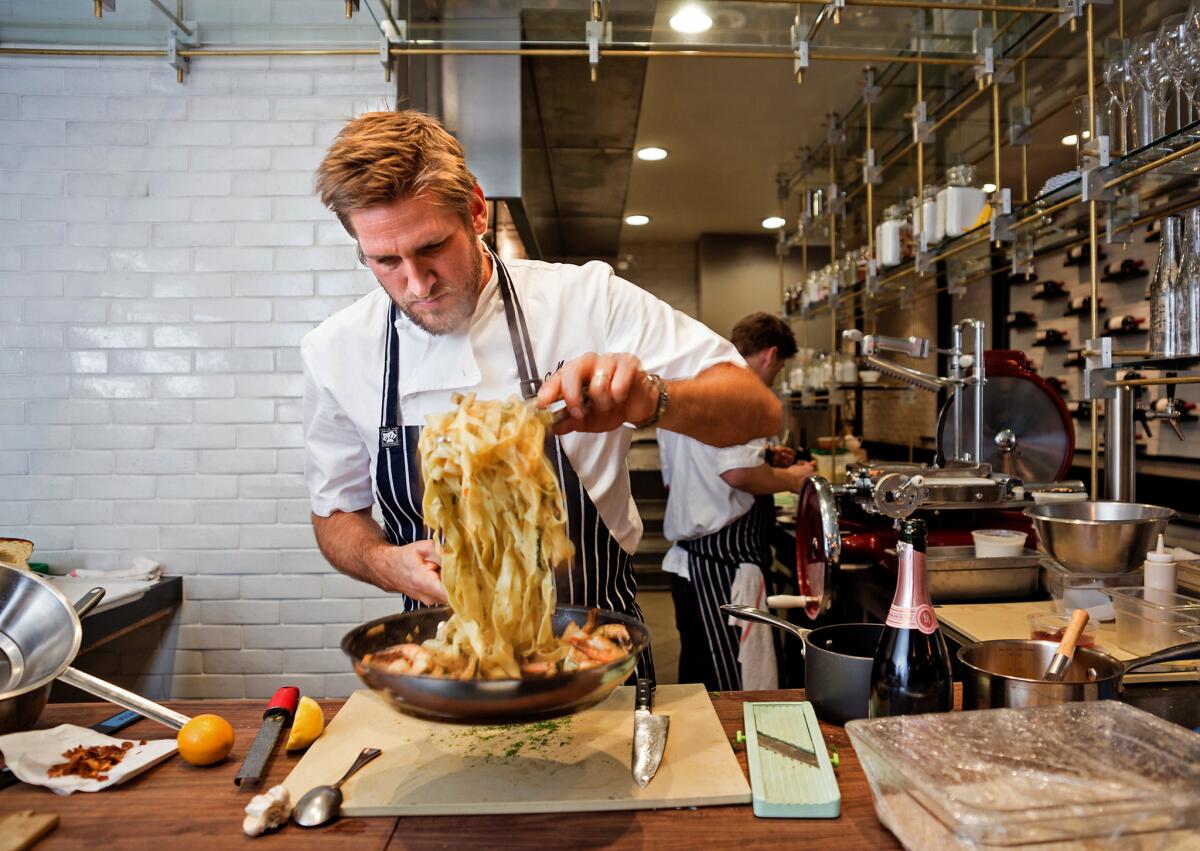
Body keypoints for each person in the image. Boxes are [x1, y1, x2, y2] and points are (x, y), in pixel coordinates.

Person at [300, 110, 782, 680]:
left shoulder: (587, 299)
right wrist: (387, 564)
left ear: (476, 209)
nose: (416, 282)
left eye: (432, 246)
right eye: (385, 261)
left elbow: (756, 408)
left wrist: (652, 400)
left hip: (596, 649)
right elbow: (334, 513)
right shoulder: (335, 350)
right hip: (446, 661)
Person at [658, 312, 816, 691]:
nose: (774, 377)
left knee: (697, 682)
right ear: (770, 355)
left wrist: (765, 458)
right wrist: (793, 480)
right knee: (734, 687)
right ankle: (740, 752)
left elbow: (714, 462)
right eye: (778, 368)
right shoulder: (740, 391)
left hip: (690, 563)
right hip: (721, 567)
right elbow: (737, 474)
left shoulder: (693, 382)